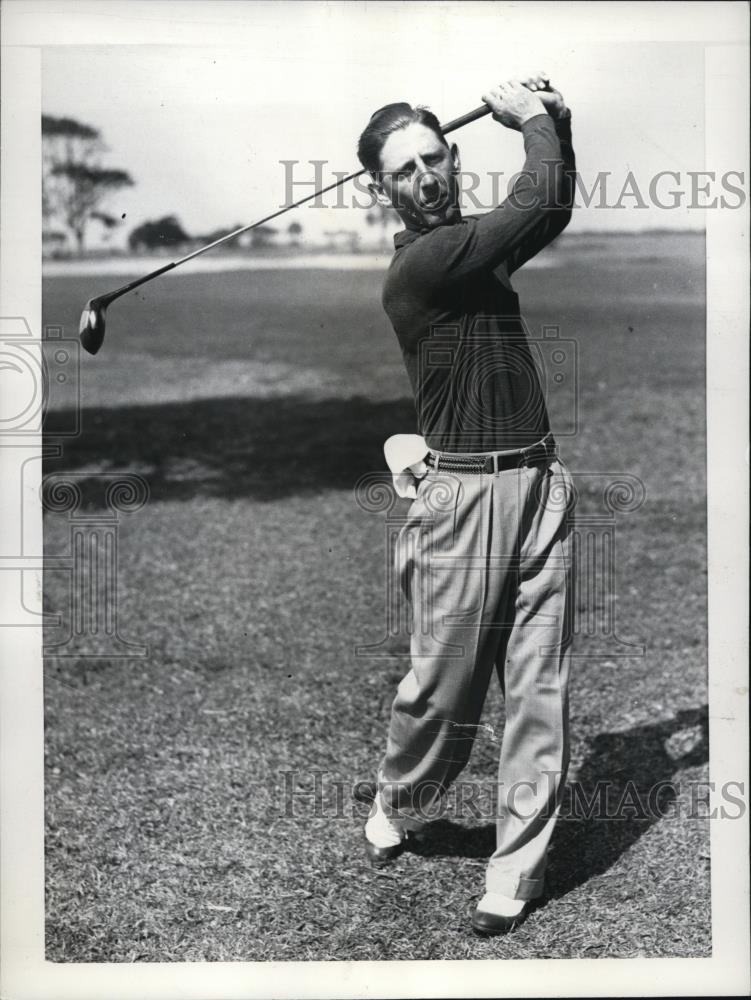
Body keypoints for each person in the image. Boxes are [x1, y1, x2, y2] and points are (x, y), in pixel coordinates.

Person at [356, 74, 577, 935]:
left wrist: (556, 118)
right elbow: (536, 197)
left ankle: (512, 872)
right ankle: (399, 792)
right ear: (383, 192)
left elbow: (549, 210)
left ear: (452, 157)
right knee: (442, 694)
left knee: (538, 689)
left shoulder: (472, 244)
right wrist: (532, 123)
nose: (425, 176)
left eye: (433, 157)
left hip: (540, 486)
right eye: (404, 170)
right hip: (460, 501)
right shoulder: (422, 264)